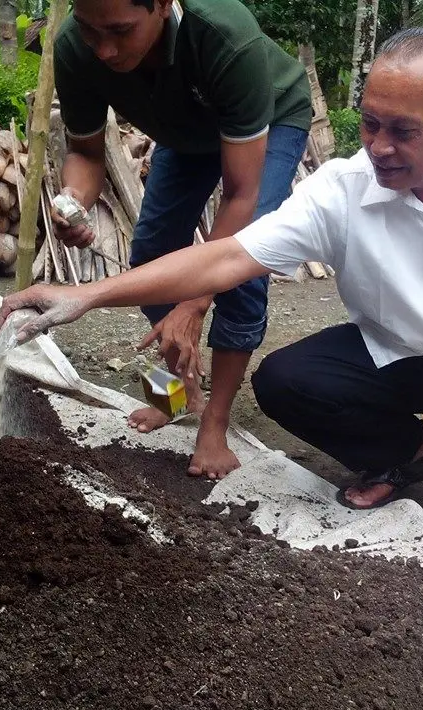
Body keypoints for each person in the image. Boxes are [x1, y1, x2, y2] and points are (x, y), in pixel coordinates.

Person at [0, 27, 423, 551]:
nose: (378, 147)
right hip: (394, 355)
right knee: (286, 381)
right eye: (369, 125)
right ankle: (400, 453)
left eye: (402, 131)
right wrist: (83, 297)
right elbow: (228, 257)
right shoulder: (343, 189)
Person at [50, 0, 312, 479]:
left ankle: (215, 422)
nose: (104, 50)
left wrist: (195, 301)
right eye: (90, 32)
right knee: (152, 257)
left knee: (243, 270)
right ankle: (177, 390)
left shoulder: (225, 38)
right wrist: (74, 199)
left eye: (120, 31)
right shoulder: (74, 45)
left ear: (162, 5)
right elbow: (85, 153)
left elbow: (241, 194)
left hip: (268, 120)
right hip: (186, 129)